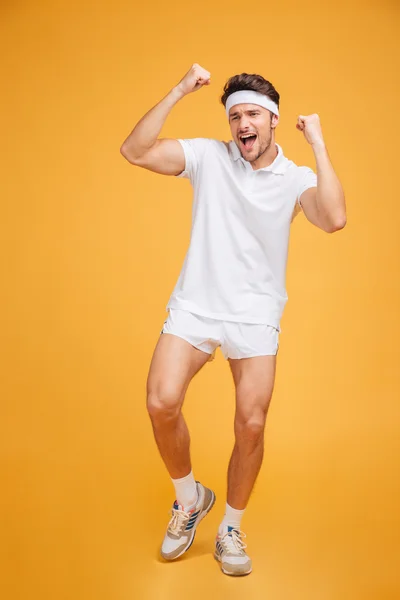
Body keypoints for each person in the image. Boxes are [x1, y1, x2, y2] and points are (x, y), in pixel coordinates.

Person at [120, 64, 346, 576]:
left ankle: (230, 527)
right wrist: (179, 89)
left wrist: (319, 146)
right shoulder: (208, 157)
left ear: (271, 121)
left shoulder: (296, 178)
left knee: (251, 423)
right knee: (161, 402)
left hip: (254, 312)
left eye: (251, 115)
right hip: (197, 303)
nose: (241, 124)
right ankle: (189, 499)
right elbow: (134, 150)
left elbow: (333, 218)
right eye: (234, 116)